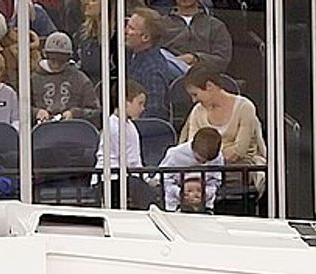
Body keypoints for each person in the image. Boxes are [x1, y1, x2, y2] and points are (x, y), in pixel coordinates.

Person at [180, 67, 266, 191]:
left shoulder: (245, 107)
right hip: (204, 166)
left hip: (239, 167)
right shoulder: (197, 111)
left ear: (209, 86)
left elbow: (238, 151)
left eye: (195, 94)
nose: (193, 100)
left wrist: (210, 154)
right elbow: (194, 148)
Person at [94, 80, 157, 209]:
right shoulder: (113, 126)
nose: (143, 108)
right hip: (112, 179)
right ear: (125, 103)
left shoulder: (129, 126)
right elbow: (128, 161)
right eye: (139, 103)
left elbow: (135, 160)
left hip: (127, 177)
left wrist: (145, 178)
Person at [124, 7, 184, 120]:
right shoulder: (130, 55)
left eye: (131, 28)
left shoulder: (152, 69)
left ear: (145, 37)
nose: (125, 31)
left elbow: (154, 113)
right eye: (127, 25)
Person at [31, 31, 100, 124]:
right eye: (53, 59)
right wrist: (36, 112)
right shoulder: (33, 79)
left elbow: (96, 112)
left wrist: (75, 113)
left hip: (73, 128)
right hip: (41, 128)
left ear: (68, 58)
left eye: (61, 61)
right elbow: (19, 108)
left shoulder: (80, 79)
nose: (56, 65)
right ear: (45, 54)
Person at [159, 126, 223, 211]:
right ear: (193, 147)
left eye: (207, 161)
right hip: (175, 206)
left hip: (205, 206)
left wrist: (205, 194)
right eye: (198, 159)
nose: (202, 163)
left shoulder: (218, 157)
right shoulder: (174, 154)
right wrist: (180, 193)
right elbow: (165, 180)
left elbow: (215, 182)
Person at [162, 0, 231, 75]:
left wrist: (195, 58)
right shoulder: (161, 24)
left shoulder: (215, 25)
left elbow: (222, 60)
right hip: (169, 75)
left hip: (206, 76)